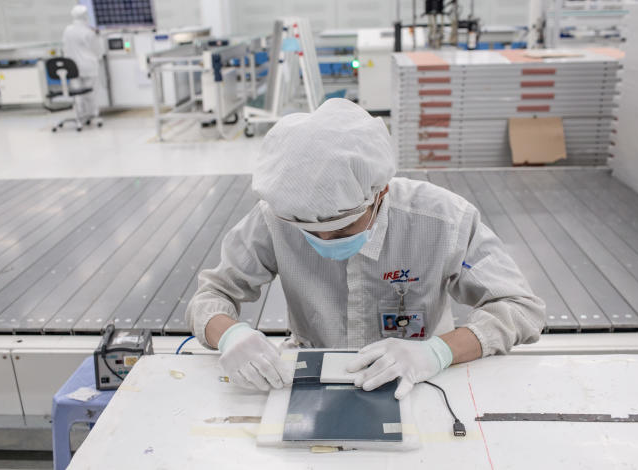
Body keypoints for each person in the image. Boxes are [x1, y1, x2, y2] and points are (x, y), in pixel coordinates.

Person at [186, 98, 546, 399]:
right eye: (309, 231)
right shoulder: (275, 218)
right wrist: (229, 333)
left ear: (380, 193)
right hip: (314, 377)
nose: (326, 241)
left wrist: (439, 351)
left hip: (420, 378)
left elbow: (519, 307)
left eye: (343, 227)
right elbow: (211, 296)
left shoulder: (443, 221)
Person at [62, 5, 103, 124]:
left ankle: (80, 115)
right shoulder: (89, 31)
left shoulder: (67, 30)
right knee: (91, 93)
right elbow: (98, 51)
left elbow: (65, 47)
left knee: (77, 94)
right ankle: (93, 115)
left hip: (72, 67)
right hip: (89, 66)